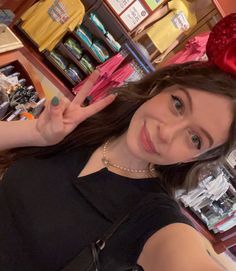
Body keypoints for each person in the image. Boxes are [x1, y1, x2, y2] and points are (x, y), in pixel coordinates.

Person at [0, 14, 236, 271]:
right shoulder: (85, 127)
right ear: (160, 88)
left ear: (196, 157)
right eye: (178, 104)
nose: (166, 133)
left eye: (195, 139)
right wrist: (36, 134)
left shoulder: (152, 216)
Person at [133, 0, 197, 63]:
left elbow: (178, 39)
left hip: (159, 48)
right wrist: (144, 24)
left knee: (139, 62)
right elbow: (160, 13)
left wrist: (165, 54)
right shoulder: (180, 2)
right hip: (151, 34)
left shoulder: (193, 22)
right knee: (132, 50)